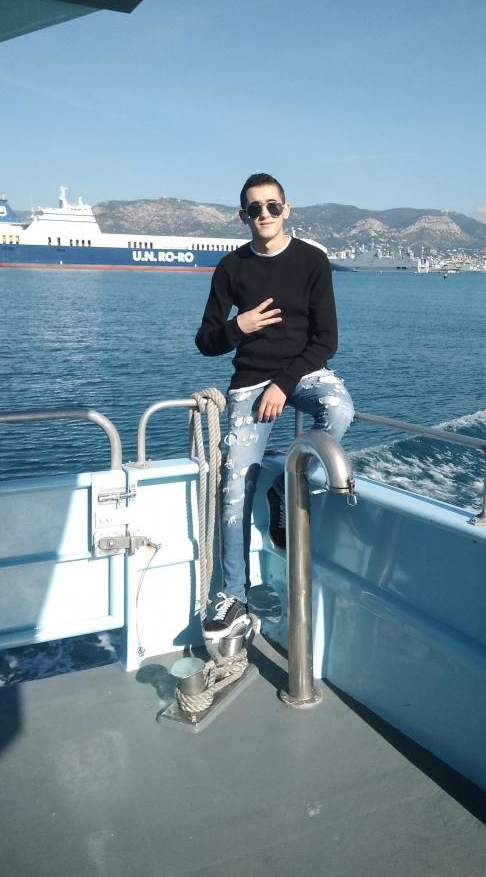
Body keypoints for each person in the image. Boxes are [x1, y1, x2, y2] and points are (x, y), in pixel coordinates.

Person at [194, 172, 354, 638]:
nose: (263, 214)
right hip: (249, 381)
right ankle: (234, 596)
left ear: (287, 210)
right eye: (254, 208)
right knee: (234, 489)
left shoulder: (311, 260)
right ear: (243, 216)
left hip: (303, 372)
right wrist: (238, 327)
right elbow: (205, 340)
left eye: (272, 206)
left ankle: (285, 484)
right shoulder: (231, 268)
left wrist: (283, 385)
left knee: (339, 409)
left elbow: (327, 340)